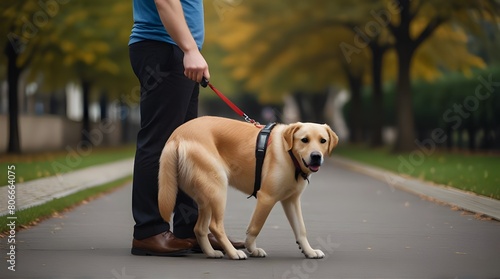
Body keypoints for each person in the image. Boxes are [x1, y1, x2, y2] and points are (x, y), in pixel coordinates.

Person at [128, 0, 244, 256]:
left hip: (176, 49)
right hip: (164, 48)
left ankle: (191, 228)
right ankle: (149, 231)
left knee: (187, 146)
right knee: (159, 141)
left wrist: (191, 50)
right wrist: (189, 49)